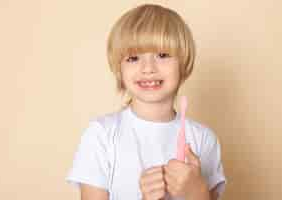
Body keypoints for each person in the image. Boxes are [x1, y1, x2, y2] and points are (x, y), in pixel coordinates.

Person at [66, 4, 226, 200]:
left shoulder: (203, 139)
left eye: (162, 55)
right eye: (133, 58)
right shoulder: (101, 135)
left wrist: (198, 194)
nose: (148, 68)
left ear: (183, 64)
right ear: (119, 70)